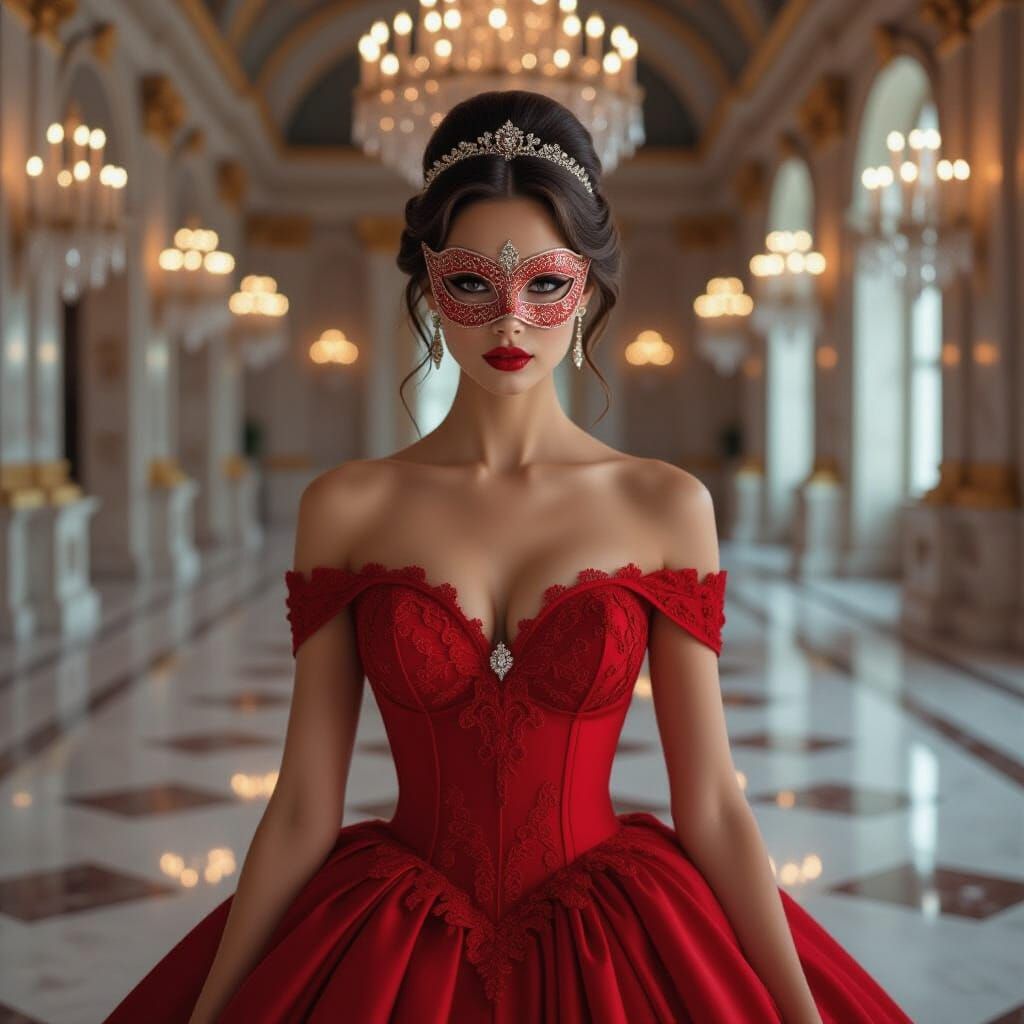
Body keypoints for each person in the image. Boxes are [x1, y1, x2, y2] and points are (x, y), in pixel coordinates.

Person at [103, 89, 914, 1024]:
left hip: (619, 942)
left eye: (544, 283)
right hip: (392, 942)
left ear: (590, 289)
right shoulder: (347, 504)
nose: (510, 323)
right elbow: (301, 806)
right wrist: (212, 1010)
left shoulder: (664, 504)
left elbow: (716, 805)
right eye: (473, 284)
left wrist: (798, 1012)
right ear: (428, 287)